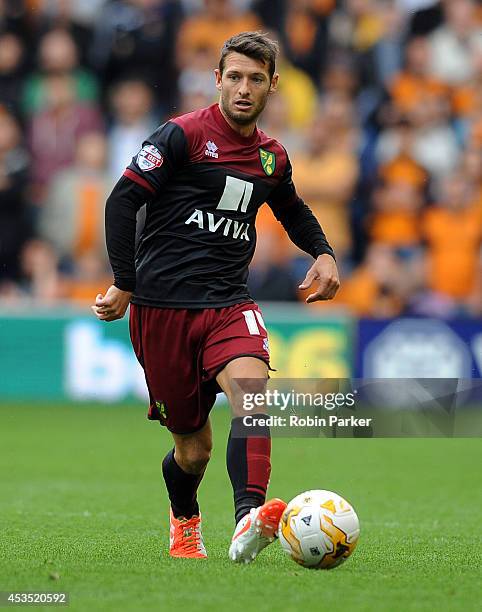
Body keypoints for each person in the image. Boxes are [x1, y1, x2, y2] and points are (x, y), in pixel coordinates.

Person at [92, 32, 339, 563]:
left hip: (229, 302)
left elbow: (291, 208)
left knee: (254, 397)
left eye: (255, 79)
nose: (243, 89)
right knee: (193, 449)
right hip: (163, 311)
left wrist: (323, 252)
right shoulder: (180, 136)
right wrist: (124, 281)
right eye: (234, 77)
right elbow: (122, 199)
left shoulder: (271, 157)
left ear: (273, 85)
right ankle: (185, 524)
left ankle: (249, 517)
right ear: (217, 80)